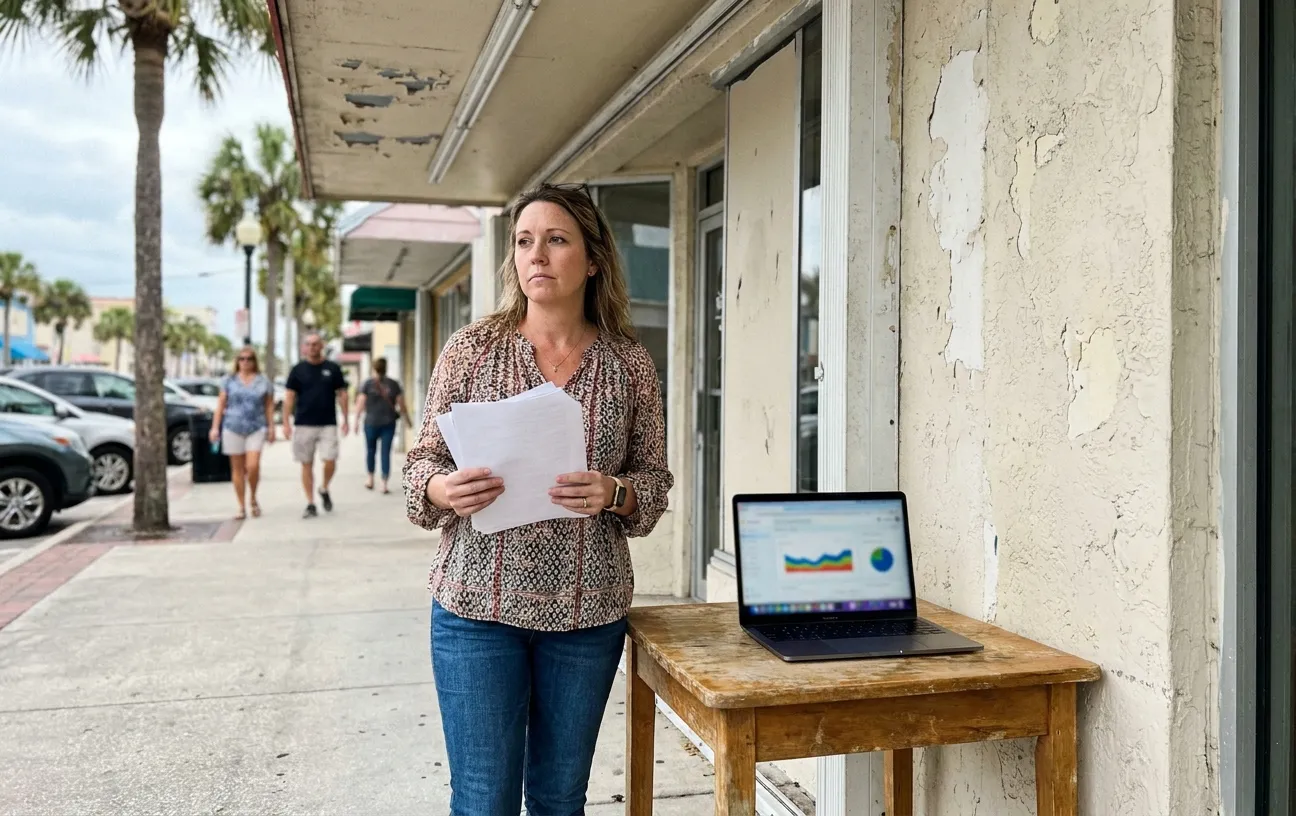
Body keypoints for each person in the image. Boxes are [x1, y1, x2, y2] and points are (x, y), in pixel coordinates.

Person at [403, 183, 673, 815]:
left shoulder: (630, 365)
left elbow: (654, 486)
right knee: (482, 801)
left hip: (587, 615)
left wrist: (617, 491)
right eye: (525, 242)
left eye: (556, 240)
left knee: (558, 800)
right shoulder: (471, 350)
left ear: (594, 258)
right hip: (477, 610)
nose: (538, 256)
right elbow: (420, 470)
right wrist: (445, 488)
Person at [282, 333, 349, 518]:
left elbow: (342, 394)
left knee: (330, 460)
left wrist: (346, 419)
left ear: (321, 346)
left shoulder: (333, 368)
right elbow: (289, 397)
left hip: (328, 423)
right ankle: (310, 502)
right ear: (304, 347)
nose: (312, 347)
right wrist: (286, 423)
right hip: (304, 423)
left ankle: (324, 487)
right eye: (309, 344)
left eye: (315, 344)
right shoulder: (298, 370)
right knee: (306, 464)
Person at [209, 345, 274, 520]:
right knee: (237, 469)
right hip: (232, 426)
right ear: (237, 361)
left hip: (256, 426)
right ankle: (241, 505)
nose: (245, 362)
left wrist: (271, 427)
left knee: (252, 466)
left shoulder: (263, 381)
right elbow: (221, 404)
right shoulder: (229, 380)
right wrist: (215, 427)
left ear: (254, 361)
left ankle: (253, 497)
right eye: (242, 359)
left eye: (249, 359)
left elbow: (268, 405)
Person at [354, 356, 412, 494]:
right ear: (386, 368)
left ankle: (370, 479)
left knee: (370, 450)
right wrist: (407, 420)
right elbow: (401, 404)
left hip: (370, 423)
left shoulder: (367, 384)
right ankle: (384, 484)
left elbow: (360, 403)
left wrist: (356, 420)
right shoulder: (393, 384)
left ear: (374, 368)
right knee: (385, 452)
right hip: (388, 423)